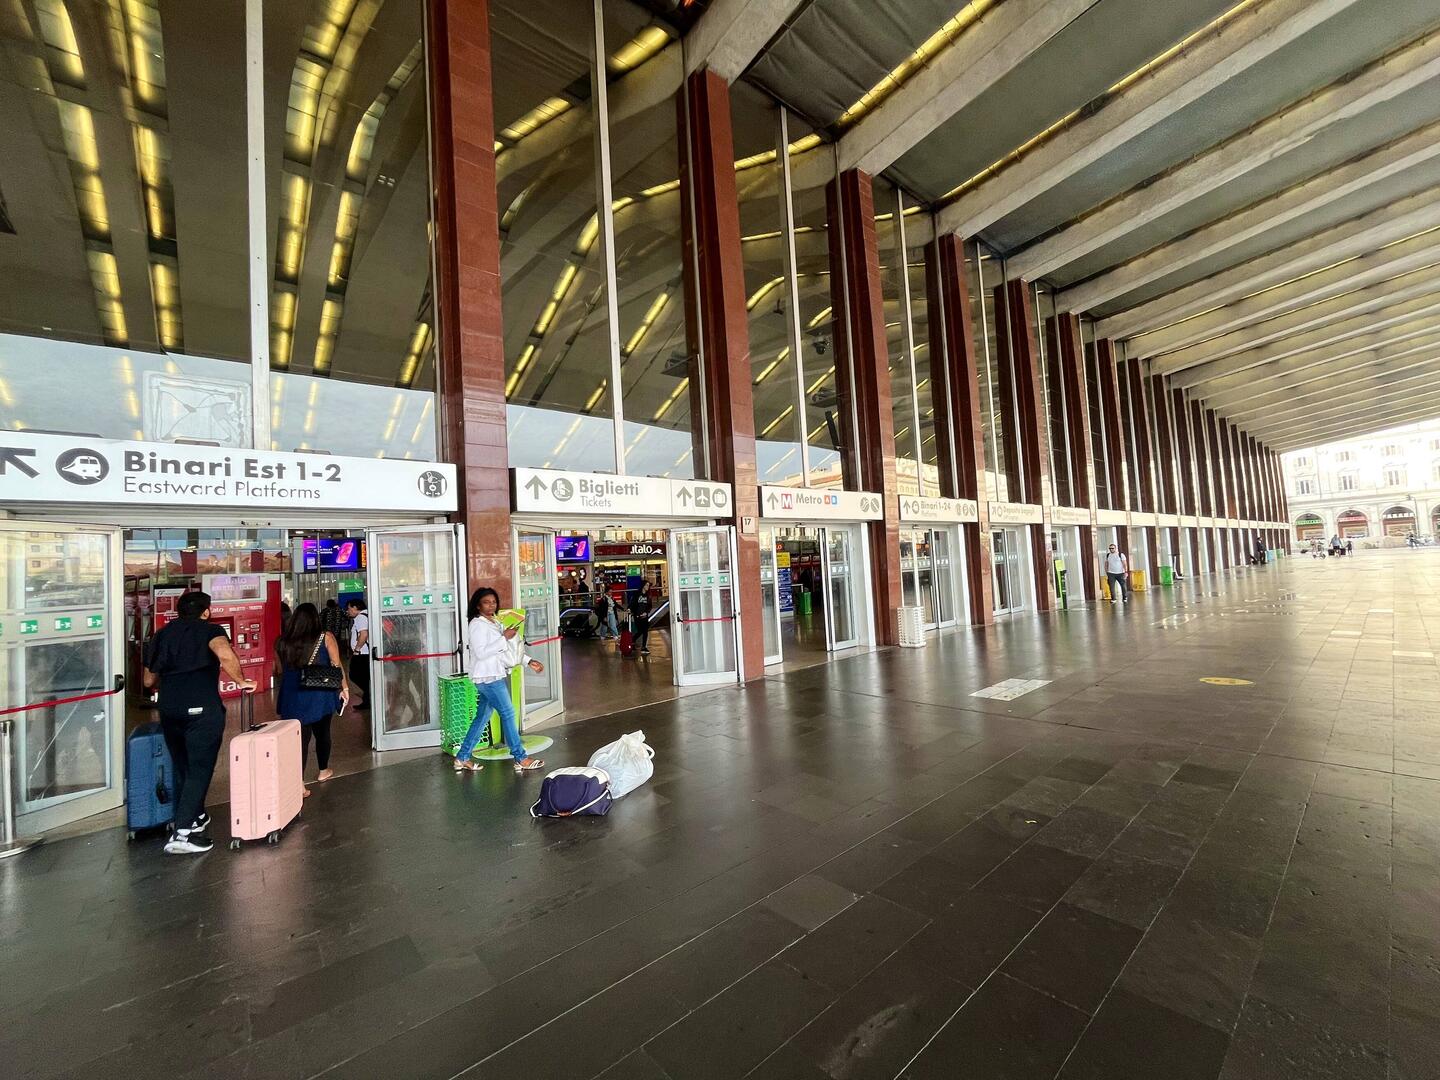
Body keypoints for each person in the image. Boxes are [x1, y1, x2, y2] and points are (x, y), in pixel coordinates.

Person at [142, 590, 257, 855]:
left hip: (170, 709)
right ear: (206, 611)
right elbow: (225, 655)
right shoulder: (211, 631)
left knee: (183, 766)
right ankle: (182, 833)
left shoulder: (162, 634)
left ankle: (195, 817)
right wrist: (241, 681)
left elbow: (149, 680)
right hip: (201, 710)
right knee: (200, 769)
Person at [454, 588, 545, 774]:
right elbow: (481, 652)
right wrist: (504, 638)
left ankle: (462, 757)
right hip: (487, 677)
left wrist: (528, 661)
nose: (491, 605)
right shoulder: (477, 624)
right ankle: (520, 757)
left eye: (494, 602)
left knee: (482, 717)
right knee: (508, 713)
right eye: (486, 602)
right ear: (478, 605)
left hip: (493, 674)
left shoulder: (495, 622)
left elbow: (506, 651)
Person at [274, 602, 349, 794]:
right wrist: (344, 687)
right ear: (315, 618)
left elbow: (279, 670)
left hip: (292, 695)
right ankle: (323, 770)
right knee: (323, 733)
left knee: (299, 740)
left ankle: (299, 783)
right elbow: (336, 664)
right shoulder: (325, 637)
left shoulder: (282, 641)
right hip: (319, 693)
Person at [345, 598, 370, 709]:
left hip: (362, 654)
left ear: (355, 607)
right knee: (365, 676)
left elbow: (363, 634)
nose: (348, 611)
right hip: (366, 653)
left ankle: (369, 693)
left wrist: (357, 650)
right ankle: (367, 698)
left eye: (349, 608)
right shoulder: (368, 614)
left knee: (354, 675)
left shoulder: (360, 617)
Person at [631, 589, 653, 655]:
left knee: (645, 631)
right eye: (646, 585)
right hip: (637, 616)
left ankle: (643, 647)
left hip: (645, 616)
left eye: (648, 586)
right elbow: (633, 603)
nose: (647, 587)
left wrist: (646, 612)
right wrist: (630, 610)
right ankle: (632, 640)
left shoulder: (648, 595)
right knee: (640, 631)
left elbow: (649, 605)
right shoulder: (637, 594)